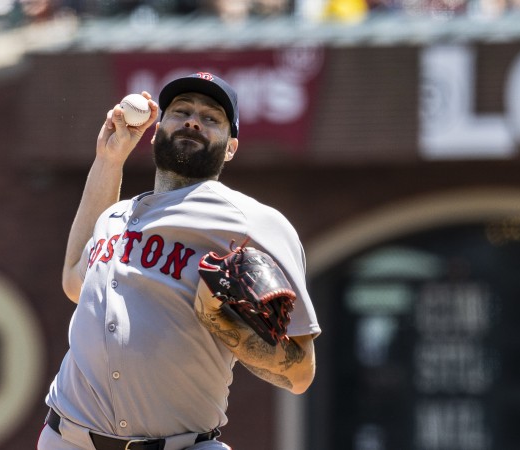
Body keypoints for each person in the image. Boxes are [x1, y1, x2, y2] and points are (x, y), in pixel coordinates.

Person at [39, 72, 322, 450]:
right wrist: (109, 160)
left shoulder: (251, 222)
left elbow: (300, 374)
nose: (193, 121)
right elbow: (76, 282)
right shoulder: (116, 216)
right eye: (181, 111)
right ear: (155, 131)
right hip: (67, 438)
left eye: (211, 118)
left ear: (231, 147)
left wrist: (229, 329)